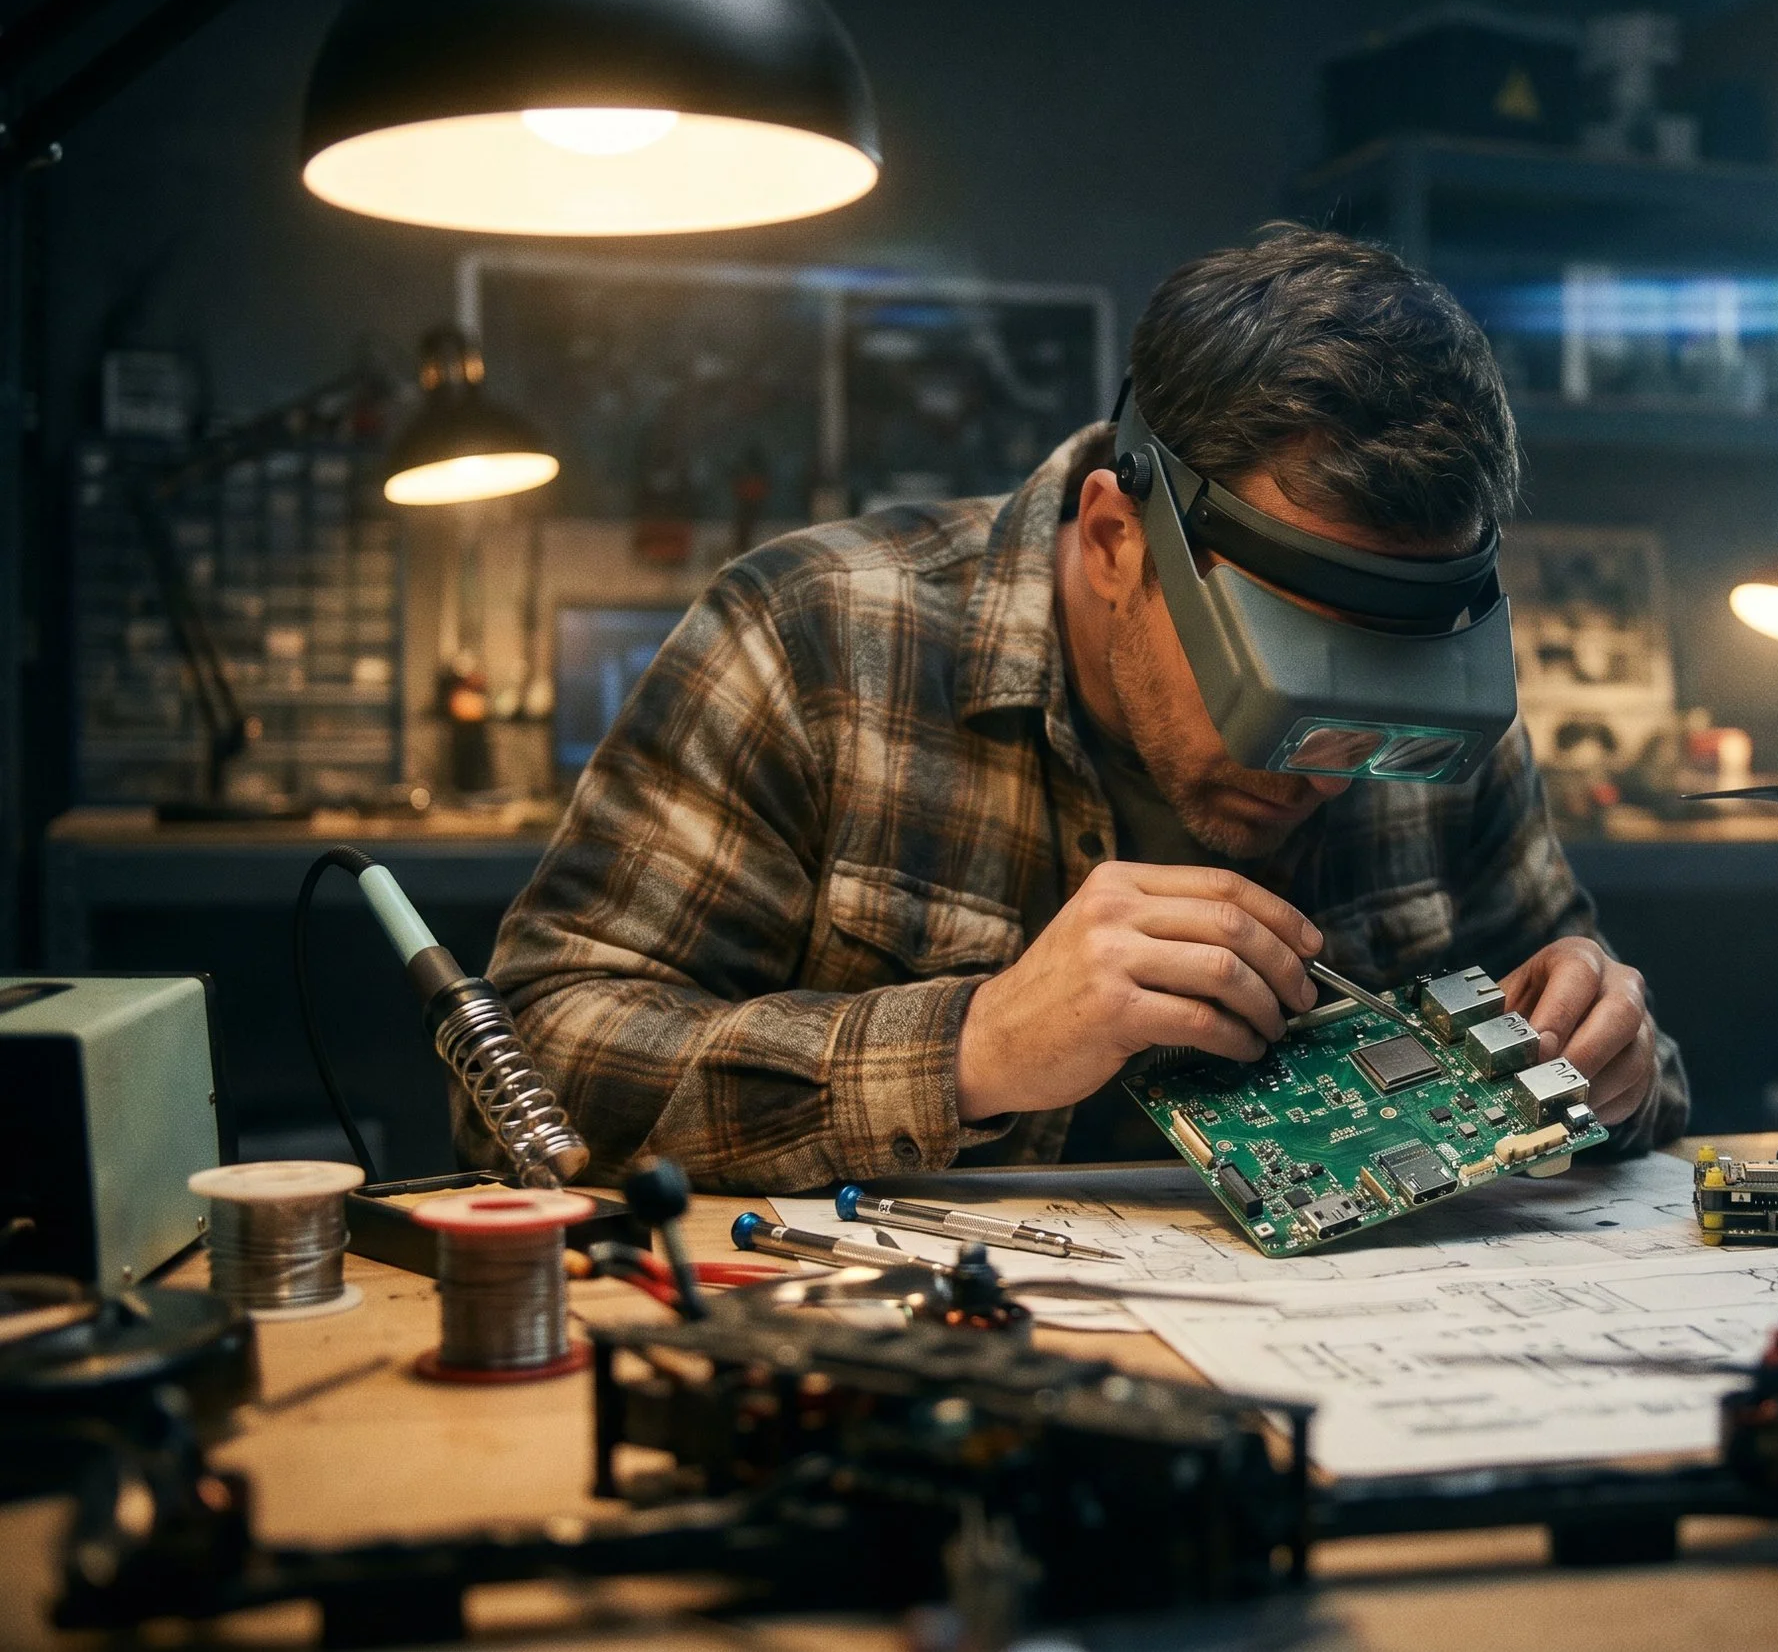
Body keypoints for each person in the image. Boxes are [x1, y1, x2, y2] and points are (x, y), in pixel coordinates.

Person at [477, 225, 1689, 1190]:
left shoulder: (1454, 721)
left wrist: (1611, 1063)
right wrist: (972, 1048)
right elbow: (527, 1072)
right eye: (1290, 692)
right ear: (1115, 537)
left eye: (1386, 713)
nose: (1332, 773)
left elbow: (1621, 1080)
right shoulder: (813, 642)